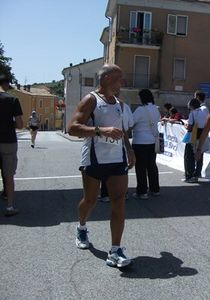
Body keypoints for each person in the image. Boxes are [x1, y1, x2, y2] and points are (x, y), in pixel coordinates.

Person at [67, 64, 135, 268]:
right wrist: (101, 130)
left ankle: (115, 250)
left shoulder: (120, 104)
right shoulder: (91, 100)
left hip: (117, 159)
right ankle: (81, 227)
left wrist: (129, 150)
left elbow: (121, 131)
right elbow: (72, 128)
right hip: (94, 159)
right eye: (119, 78)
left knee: (119, 201)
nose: (122, 82)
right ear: (106, 79)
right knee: (90, 200)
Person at [131, 89, 161, 199]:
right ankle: (155, 189)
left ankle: (142, 191)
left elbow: (131, 122)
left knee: (141, 167)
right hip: (152, 140)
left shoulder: (140, 110)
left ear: (142, 97)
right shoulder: (155, 108)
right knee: (152, 165)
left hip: (140, 141)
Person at [0, 74, 23, 216]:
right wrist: (10, 124)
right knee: (9, 175)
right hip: (8, 141)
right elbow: (20, 124)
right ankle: (9, 207)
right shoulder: (12, 99)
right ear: (7, 85)